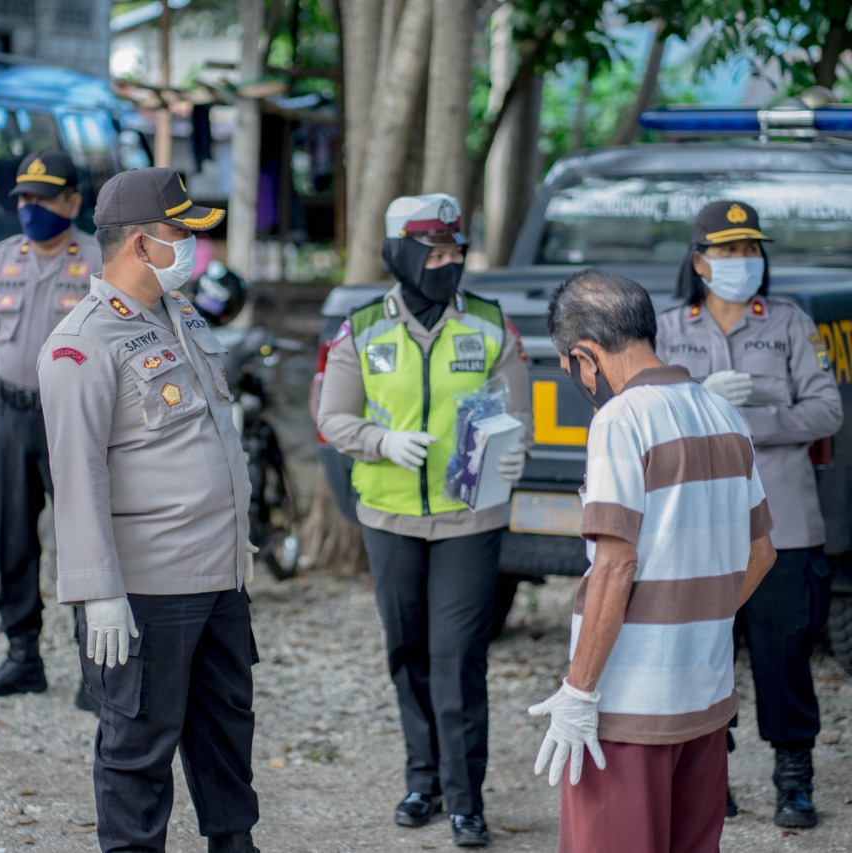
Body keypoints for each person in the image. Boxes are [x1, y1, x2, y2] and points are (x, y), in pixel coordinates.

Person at [37, 167, 261, 853]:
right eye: (180, 233)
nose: (194, 246)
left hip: (218, 578)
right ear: (139, 244)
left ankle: (234, 844)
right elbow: (77, 478)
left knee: (226, 734)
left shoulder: (181, 315)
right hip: (146, 590)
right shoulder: (83, 343)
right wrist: (97, 590)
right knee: (138, 750)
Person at [532, 268, 777, 853]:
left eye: (569, 365)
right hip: (706, 694)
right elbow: (762, 552)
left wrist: (579, 690)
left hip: (627, 707)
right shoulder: (721, 413)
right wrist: (698, 617)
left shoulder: (620, 419)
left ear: (586, 357)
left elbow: (615, 567)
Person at [316, 194, 531, 847]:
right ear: (404, 255)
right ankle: (423, 778)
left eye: (455, 251)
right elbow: (332, 419)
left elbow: (516, 416)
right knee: (407, 649)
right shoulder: (362, 330)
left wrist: (515, 446)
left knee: (458, 654)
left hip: (471, 516)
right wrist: (381, 441)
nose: (449, 263)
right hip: (389, 514)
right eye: (435, 253)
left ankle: (466, 797)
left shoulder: (492, 326)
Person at [655, 200, 842, 827]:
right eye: (729, 251)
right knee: (702, 654)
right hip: (696, 526)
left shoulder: (787, 321)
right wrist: (698, 403)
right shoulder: (667, 327)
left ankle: (794, 778)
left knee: (783, 654)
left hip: (781, 523)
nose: (742, 262)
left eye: (751, 250)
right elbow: (643, 415)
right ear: (700, 259)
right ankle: (713, 778)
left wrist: (746, 421)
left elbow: (825, 412)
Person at [0, 150, 102, 707]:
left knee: (83, 536)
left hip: (72, 419)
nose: (30, 207)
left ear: (72, 201)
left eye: (44, 196)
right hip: (12, 414)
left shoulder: (97, 259)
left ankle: (97, 664)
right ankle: (23, 656)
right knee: (12, 534)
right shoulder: (2, 258)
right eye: (23, 197)